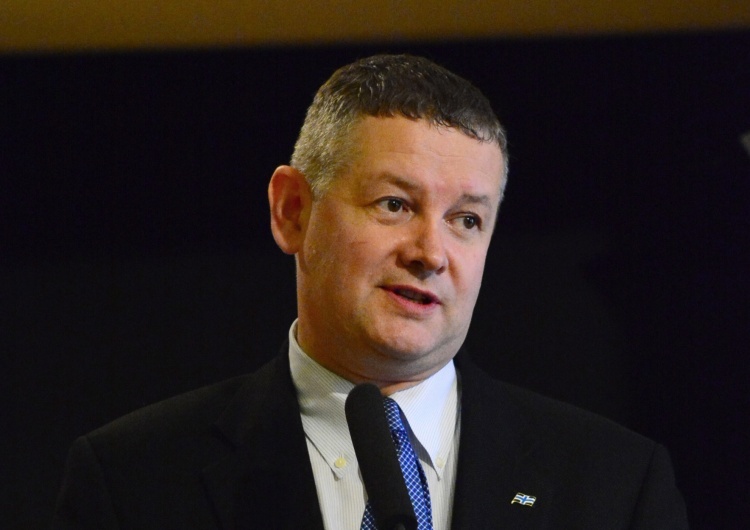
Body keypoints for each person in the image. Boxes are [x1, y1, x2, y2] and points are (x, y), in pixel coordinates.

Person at [53, 54, 688, 529]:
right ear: (293, 212)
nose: (431, 253)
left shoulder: (616, 485)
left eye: (466, 220)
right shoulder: (132, 481)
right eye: (394, 204)